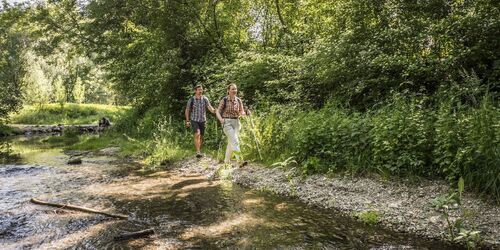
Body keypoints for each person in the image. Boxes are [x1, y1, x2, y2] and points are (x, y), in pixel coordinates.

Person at [216, 83, 247, 166]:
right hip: (227, 122)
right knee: (235, 141)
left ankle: (226, 161)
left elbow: (241, 111)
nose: (234, 90)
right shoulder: (224, 100)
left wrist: (243, 113)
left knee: (231, 142)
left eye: (235, 89)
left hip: (237, 122)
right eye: (232, 89)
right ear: (228, 91)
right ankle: (240, 161)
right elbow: (217, 111)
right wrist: (221, 119)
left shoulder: (239, 100)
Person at [185, 85, 216, 158]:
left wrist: (215, 111)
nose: (200, 91)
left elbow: (209, 107)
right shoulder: (191, 100)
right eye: (199, 90)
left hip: (203, 120)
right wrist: (187, 120)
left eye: (201, 90)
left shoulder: (205, 99)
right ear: (195, 91)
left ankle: (199, 150)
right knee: (197, 134)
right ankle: (198, 152)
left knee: (201, 136)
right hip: (194, 120)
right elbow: (187, 110)